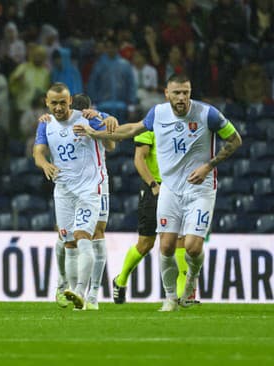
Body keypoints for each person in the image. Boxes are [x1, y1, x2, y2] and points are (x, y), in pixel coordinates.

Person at [74, 74, 242, 311]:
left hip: (200, 188)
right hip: (169, 190)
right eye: (177, 93)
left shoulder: (208, 114)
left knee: (193, 247)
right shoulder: (158, 113)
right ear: (167, 93)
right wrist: (96, 134)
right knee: (165, 246)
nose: (182, 97)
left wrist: (208, 166)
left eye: (186, 92)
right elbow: (131, 129)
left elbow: (235, 140)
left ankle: (191, 280)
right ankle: (171, 298)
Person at [33, 83, 107, 310]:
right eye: (53, 103)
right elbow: (38, 152)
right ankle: (70, 289)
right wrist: (44, 164)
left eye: (62, 103)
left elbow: (112, 139)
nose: (58, 108)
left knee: (85, 235)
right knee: (69, 243)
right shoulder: (45, 125)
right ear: (47, 102)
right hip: (63, 191)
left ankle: (82, 292)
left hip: (89, 188)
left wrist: (105, 122)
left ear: (70, 102)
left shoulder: (87, 117)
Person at [112, 130, 191, 304]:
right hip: (154, 188)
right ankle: (121, 280)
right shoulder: (150, 126)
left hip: (177, 188)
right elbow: (139, 158)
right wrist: (153, 185)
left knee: (179, 238)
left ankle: (179, 294)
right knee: (146, 243)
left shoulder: (184, 125)